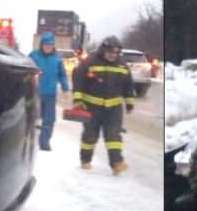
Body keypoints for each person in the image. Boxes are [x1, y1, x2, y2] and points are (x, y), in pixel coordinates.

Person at [72, 35, 135, 174]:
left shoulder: (122, 65)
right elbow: (78, 82)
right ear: (103, 50)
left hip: (113, 108)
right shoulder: (89, 62)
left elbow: (128, 85)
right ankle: (85, 160)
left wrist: (130, 102)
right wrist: (78, 100)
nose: (113, 56)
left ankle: (116, 163)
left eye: (116, 53)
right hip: (91, 107)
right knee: (90, 135)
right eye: (110, 52)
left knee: (114, 136)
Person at [28, 32, 71, 151]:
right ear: (41, 45)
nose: (48, 47)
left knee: (49, 120)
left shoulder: (57, 58)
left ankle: (44, 142)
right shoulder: (33, 56)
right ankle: (30, 141)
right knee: (33, 118)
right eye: (46, 45)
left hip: (50, 94)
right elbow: (26, 70)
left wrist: (65, 88)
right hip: (35, 93)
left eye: (50, 45)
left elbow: (62, 75)